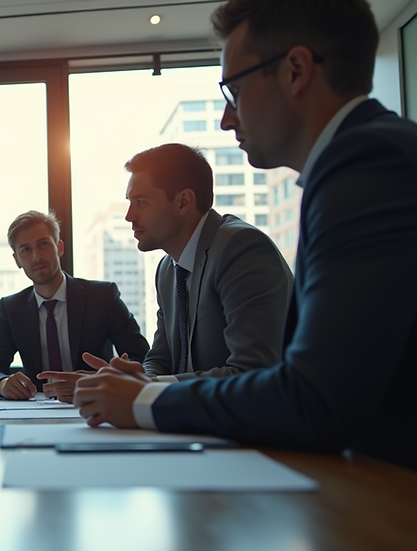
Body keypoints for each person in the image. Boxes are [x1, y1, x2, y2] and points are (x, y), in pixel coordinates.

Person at [74, 0, 417, 471]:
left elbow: (313, 397)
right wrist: (137, 384)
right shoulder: (366, 156)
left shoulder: (367, 163)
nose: (225, 119)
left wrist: (143, 400)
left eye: (233, 90)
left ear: (296, 71)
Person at [81, 144, 292, 382]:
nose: (129, 216)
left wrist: (149, 386)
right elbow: (160, 359)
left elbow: (253, 372)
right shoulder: (167, 270)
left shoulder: (240, 248)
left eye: (141, 202)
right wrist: (130, 380)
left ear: (183, 201)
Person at [0, 210, 149, 402]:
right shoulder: (11, 308)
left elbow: (142, 359)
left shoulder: (103, 297)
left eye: (43, 244)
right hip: (37, 409)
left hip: (96, 402)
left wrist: (100, 380)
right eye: (25, 249)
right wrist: (1, 383)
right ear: (17, 260)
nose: (36, 256)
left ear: (59, 247)